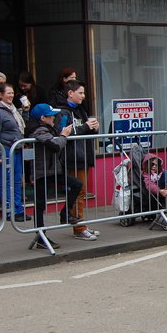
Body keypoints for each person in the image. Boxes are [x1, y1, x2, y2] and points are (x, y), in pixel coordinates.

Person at [25, 102, 83, 249]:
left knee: (76, 184)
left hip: (52, 170)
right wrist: (64, 135)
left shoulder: (48, 128)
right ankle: (40, 238)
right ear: (43, 118)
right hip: (42, 172)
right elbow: (54, 145)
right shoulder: (39, 131)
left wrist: (61, 133)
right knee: (40, 205)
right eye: (51, 116)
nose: (54, 118)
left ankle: (65, 215)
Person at [57, 80, 100, 241]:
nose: (83, 96)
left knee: (81, 192)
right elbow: (63, 133)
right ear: (70, 93)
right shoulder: (63, 112)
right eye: (80, 93)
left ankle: (81, 225)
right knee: (78, 192)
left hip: (83, 155)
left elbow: (85, 131)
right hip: (73, 157)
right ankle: (79, 227)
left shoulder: (80, 110)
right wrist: (86, 127)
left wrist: (95, 129)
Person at [0, 81, 28, 222]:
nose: (11, 95)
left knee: (16, 180)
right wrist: (0, 154)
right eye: (8, 93)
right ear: (0, 95)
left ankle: (18, 209)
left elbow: (20, 127)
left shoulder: (13, 110)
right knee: (6, 181)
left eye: (12, 92)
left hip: (15, 148)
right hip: (5, 149)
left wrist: (26, 111)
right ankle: (10, 211)